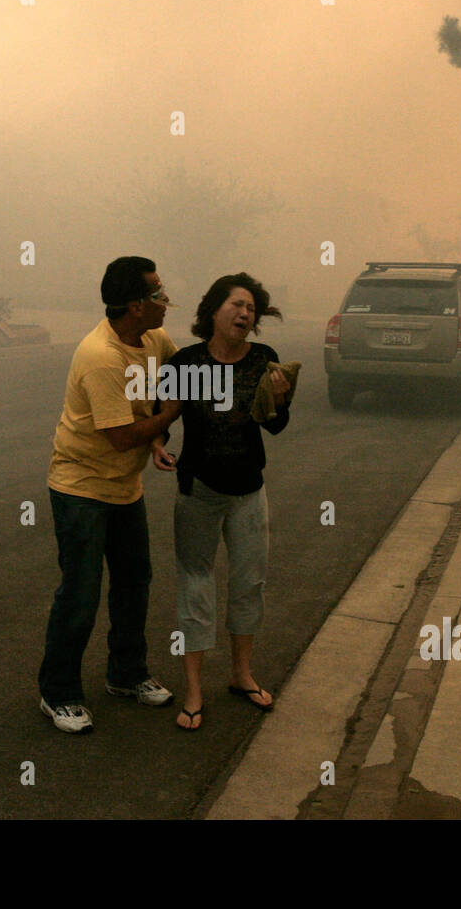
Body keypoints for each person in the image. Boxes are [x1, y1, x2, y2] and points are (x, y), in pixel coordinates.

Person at [38, 256, 183, 733]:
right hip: (81, 486)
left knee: (134, 583)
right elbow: (122, 435)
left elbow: (172, 381)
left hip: (124, 485)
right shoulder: (101, 357)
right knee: (80, 594)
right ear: (136, 306)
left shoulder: (154, 339)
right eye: (159, 294)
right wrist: (169, 418)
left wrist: (158, 439)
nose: (167, 301)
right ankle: (58, 693)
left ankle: (126, 674)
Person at [156, 273, 293, 731]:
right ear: (213, 311)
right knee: (196, 585)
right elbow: (166, 414)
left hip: (249, 491)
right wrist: (157, 442)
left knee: (249, 582)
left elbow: (273, 426)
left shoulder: (264, 361)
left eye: (251, 309)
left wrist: (280, 401)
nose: (245, 314)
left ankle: (241, 674)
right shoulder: (186, 363)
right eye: (236, 305)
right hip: (199, 491)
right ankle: (194, 690)